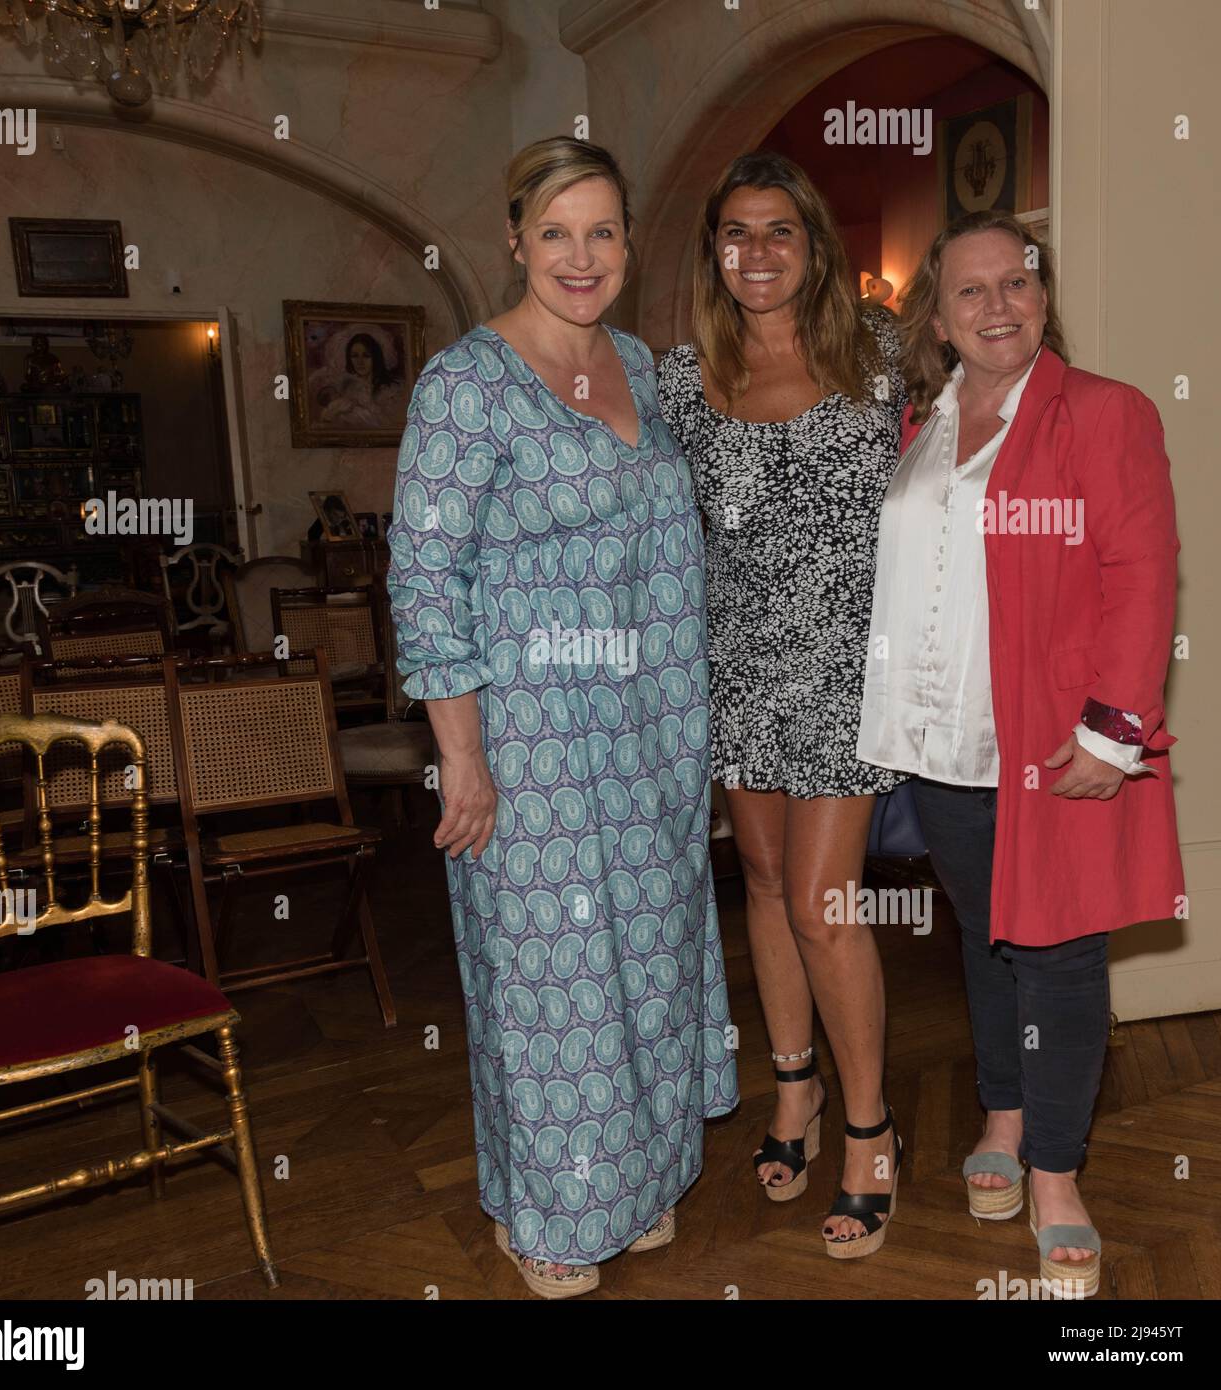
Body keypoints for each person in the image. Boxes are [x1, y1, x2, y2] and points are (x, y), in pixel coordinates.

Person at [386, 135, 739, 1299]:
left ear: (629, 245)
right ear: (514, 240)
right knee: (551, 986)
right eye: (555, 233)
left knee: (645, 965)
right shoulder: (465, 387)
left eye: (601, 232)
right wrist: (463, 763)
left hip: (650, 737)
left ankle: (631, 1183)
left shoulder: (640, 364)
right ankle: (548, 1212)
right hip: (526, 740)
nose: (579, 257)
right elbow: (425, 585)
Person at [857, 209, 1184, 1298]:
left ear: (1043, 294)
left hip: (1053, 742)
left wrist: (1112, 727)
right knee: (989, 940)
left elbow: (1143, 571)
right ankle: (1000, 1106)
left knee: (1060, 954)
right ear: (939, 319)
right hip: (941, 743)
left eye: (1018, 282)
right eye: (970, 291)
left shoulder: (1102, 412)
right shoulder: (923, 423)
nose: (998, 305)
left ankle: (1054, 1172)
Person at [657, 151, 908, 1258]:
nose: (756, 253)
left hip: (851, 670)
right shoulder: (679, 378)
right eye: (735, 233)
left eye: (779, 232)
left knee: (822, 902)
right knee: (759, 882)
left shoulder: (882, 353)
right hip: (738, 667)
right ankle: (793, 1090)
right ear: (714, 251)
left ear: (815, 247)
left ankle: (869, 1129)